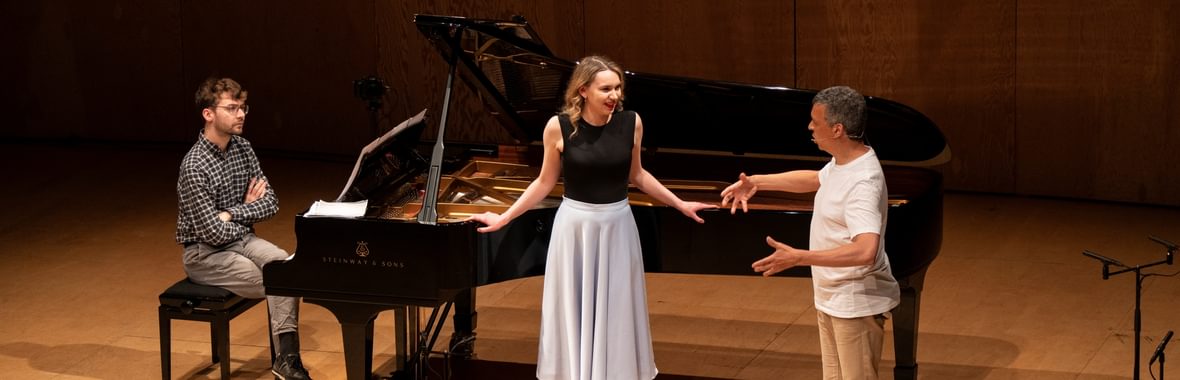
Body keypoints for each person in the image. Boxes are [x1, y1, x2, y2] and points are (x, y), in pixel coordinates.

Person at [467, 56, 716, 380]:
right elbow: (544, 182)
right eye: (606, 89)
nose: (614, 95)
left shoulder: (632, 123)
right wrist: (505, 218)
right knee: (575, 306)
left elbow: (638, 175)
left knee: (617, 306)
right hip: (575, 228)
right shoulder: (558, 128)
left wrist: (680, 204)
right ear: (583, 90)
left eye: (617, 88)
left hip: (618, 226)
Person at [720, 86, 900, 380]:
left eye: (815, 122)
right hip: (833, 297)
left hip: (854, 304)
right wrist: (756, 182)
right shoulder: (846, 162)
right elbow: (816, 179)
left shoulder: (863, 182)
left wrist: (800, 258)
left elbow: (866, 250)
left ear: (837, 129)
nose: (809, 127)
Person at [175, 77, 311, 380]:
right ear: (208, 114)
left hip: (242, 238)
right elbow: (212, 233)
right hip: (204, 255)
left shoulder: (243, 148)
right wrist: (244, 213)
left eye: (243, 108)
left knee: (286, 268)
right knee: (276, 281)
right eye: (232, 108)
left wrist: (230, 213)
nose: (241, 115)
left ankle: (285, 360)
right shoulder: (194, 165)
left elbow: (272, 203)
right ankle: (289, 363)